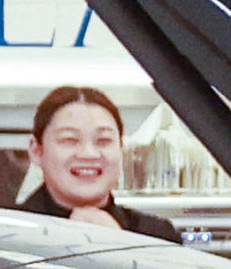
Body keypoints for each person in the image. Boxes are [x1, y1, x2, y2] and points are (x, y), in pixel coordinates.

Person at [14, 82, 183, 241]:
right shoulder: (5, 234)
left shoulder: (157, 236)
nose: (88, 154)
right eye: (70, 140)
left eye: (103, 140)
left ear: (121, 148)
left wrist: (119, 245)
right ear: (36, 150)